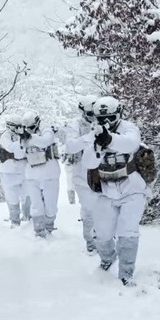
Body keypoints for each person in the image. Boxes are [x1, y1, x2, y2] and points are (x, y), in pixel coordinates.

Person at [81, 96, 148, 285]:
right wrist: (97, 146)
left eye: (110, 117)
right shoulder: (93, 133)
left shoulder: (129, 128)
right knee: (102, 233)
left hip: (132, 188)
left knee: (127, 230)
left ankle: (126, 272)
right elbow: (88, 162)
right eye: (101, 119)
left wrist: (109, 139)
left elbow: (131, 144)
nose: (105, 122)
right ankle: (107, 260)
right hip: (105, 189)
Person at [64, 95, 100, 253]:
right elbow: (71, 146)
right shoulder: (75, 125)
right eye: (90, 114)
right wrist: (90, 137)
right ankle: (91, 244)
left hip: (105, 174)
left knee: (106, 209)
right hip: (82, 174)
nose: (94, 117)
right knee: (89, 209)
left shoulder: (105, 122)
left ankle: (106, 241)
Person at [20, 111, 61, 238]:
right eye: (27, 128)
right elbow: (19, 153)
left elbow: (46, 141)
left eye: (31, 127)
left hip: (49, 174)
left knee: (51, 206)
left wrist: (31, 138)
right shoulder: (23, 134)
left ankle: (49, 227)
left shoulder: (46, 129)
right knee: (36, 205)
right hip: (32, 175)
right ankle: (39, 231)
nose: (29, 130)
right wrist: (22, 139)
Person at [0, 114, 31, 227]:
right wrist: (22, 140)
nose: (20, 129)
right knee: (12, 197)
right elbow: (11, 148)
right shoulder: (5, 136)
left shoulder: (25, 135)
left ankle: (27, 217)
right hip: (9, 171)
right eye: (18, 126)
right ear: (10, 126)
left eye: (21, 126)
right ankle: (15, 221)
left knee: (27, 194)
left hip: (24, 170)